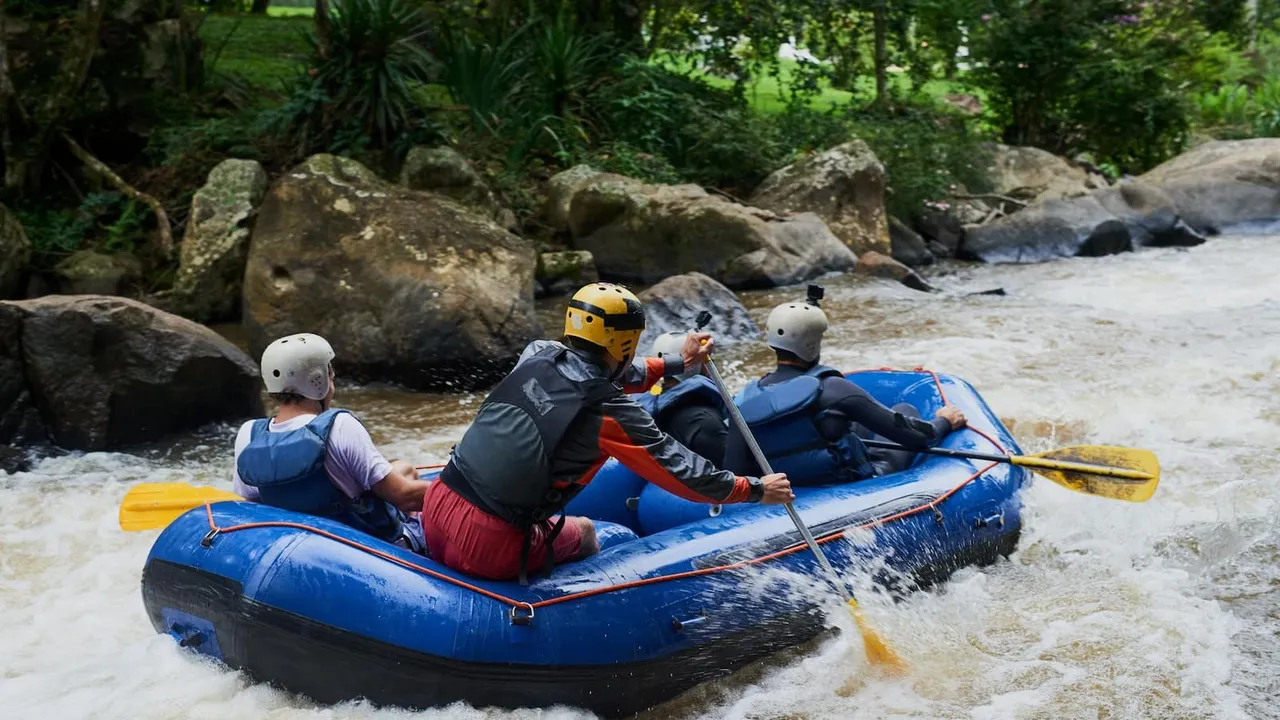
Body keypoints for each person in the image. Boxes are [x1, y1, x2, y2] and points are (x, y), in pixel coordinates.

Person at [421, 282, 794, 584]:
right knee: (585, 532)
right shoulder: (610, 412)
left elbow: (600, 372)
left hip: (436, 507)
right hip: (486, 546)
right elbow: (681, 472)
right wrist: (756, 490)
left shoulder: (537, 353)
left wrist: (680, 362)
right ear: (626, 342)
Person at [724, 289, 966, 486]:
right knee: (906, 409)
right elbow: (918, 439)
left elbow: (734, 472)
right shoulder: (835, 390)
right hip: (847, 483)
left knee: (845, 424)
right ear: (812, 345)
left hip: (785, 488)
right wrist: (944, 421)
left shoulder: (742, 400)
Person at [232, 333, 434, 553]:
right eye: (330, 370)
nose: (333, 376)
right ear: (317, 380)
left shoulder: (249, 434)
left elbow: (254, 504)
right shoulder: (340, 426)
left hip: (303, 549)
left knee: (404, 468)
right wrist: (457, 496)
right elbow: (404, 497)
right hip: (374, 546)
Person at [632, 331, 729, 464]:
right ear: (692, 366)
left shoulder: (652, 408)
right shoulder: (705, 422)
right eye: (706, 361)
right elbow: (734, 473)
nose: (709, 368)